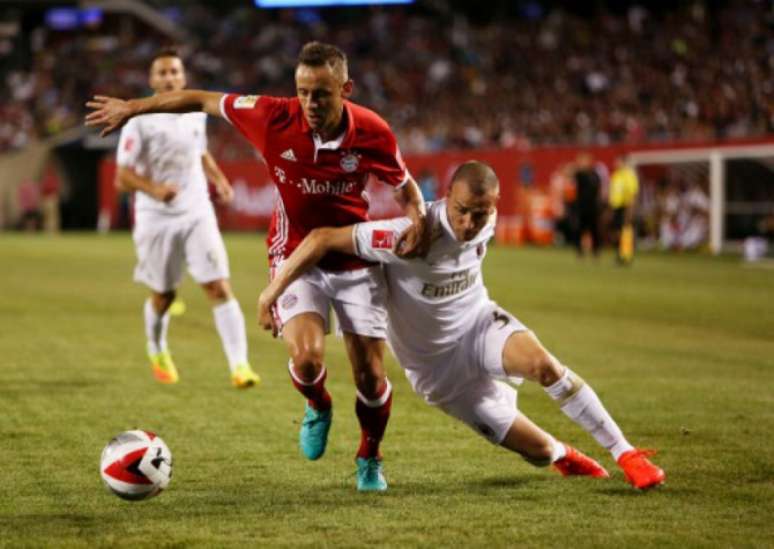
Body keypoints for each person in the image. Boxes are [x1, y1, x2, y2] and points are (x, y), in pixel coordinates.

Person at [87, 42, 429, 491]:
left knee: (371, 374)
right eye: (303, 92)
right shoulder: (271, 115)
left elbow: (405, 189)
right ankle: (318, 403)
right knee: (306, 359)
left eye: (321, 93)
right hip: (293, 254)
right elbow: (201, 99)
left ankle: (369, 456)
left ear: (346, 89)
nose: (310, 103)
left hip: (353, 255)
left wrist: (419, 222)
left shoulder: (372, 131)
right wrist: (134, 107)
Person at [259, 161, 666, 491]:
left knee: (546, 367)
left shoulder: (485, 223)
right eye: (462, 211)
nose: (470, 223)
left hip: (479, 326)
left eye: (481, 213)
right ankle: (563, 453)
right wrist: (272, 291)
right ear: (446, 198)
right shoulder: (405, 236)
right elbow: (323, 238)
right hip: (438, 373)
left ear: (493, 206)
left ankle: (626, 453)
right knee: (538, 452)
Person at [112, 47, 259, 388]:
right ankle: (157, 347)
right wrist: (153, 189)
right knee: (164, 295)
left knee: (219, 285)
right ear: (152, 80)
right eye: (162, 73)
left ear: (183, 76)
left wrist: (218, 178)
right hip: (155, 217)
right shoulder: (139, 121)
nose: (169, 78)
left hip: (196, 210)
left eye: (174, 72)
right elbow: (121, 177)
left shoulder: (195, 112)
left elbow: (200, 150)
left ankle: (240, 366)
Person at [609, 155, 639, 264]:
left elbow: (632, 193)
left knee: (625, 231)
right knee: (617, 232)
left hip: (625, 206)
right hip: (616, 206)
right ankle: (620, 254)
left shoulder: (628, 175)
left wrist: (630, 209)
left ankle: (626, 256)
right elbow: (613, 193)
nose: (616, 164)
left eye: (618, 162)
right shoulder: (616, 175)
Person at [573, 152, 602, 257]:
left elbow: (599, 190)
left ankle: (596, 251)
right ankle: (579, 251)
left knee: (594, 230)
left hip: (593, 207)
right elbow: (569, 172)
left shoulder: (595, 175)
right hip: (581, 207)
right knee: (580, 229)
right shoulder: (580, 174)